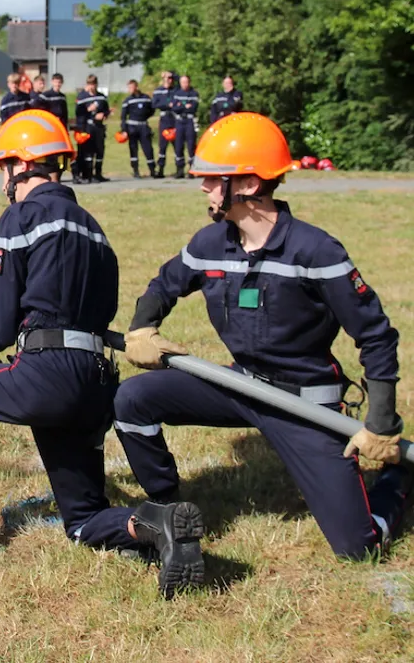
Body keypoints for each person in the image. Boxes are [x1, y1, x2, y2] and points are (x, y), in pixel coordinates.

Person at [0, 109, 206, 598]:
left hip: (45, 378)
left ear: (20, 167)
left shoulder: (21, 216)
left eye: (3, 168)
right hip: (96, 384)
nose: (2, 181)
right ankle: (157, 525)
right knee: (83, 519)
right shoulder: (95, 230)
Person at [114, 113, 412, 560]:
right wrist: (142, 327)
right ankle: (168, 504)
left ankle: (399, 481)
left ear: (249, 184)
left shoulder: (316, 251)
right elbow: (164, 284)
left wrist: (382, 422)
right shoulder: (211, 243)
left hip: (305, 403)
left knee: (358, 548)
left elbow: (375, 335)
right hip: (241, 385)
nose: (203, 188)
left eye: (214, 179)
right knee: (132, 400)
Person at [76, 75, 112, 183]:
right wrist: (88, 111)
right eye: (90, 84)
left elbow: (106, 109)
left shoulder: (101, 97)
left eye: (93, 84)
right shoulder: (83, 97)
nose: (92, 87)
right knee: (88, 152)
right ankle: (88, 174)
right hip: (88, 126)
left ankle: (98, 173)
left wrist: (104, 115)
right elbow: (79, 113)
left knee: (100, 151)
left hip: (99, 127)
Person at [120, 79, 156, 178]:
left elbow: (152, 110)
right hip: (132, 127)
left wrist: (144, 117)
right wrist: (124, 130)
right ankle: (135, 170)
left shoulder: (146, 98)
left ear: (136, 87)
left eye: (132, 87)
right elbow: (123, 117)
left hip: (143, 126)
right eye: (129, 88)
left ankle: (152, 170)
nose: (130, 89)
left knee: (148, 148)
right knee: (133, 149)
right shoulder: (127, 101)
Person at [170, 75, 200, 178]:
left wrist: (180, 107)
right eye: (183, 82)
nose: (185, 84)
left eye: (186, 82)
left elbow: (193, 108)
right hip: (179, 122)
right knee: (178, 146)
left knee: (191, 146)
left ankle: (192, 169)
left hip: (190, 121)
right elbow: (174, 108)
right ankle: (179, 169)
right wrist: (184, 106)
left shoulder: (194, 94)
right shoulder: (177, 94)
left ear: (189, 82)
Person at [151, 71, 176, 178]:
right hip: (164, 120)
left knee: (177, 145)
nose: (169, 80)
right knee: (163, 146)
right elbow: (155, 104)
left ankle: (179, 169)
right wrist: (167, 105)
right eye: (167, 78)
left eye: (171, 78)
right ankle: (160, 169)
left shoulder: (176, 90)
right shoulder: (158, 91)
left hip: (174, 119)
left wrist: (171, 73)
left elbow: (182, 79)